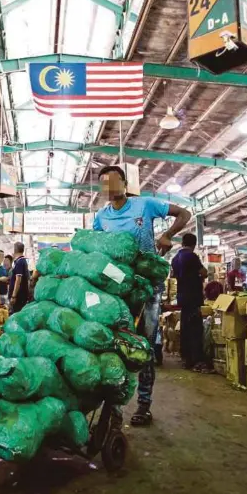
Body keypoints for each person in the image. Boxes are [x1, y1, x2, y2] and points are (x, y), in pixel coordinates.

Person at [93, 165, 191, 427]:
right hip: (117, 288)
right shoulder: (101, 217)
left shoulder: (145, 205)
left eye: (114, 180)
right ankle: (113, 406)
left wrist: (168, 234)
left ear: (125, 184)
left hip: (149, 286)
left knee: (144, 345)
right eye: (104, 182)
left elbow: (184, 213)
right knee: (115, 343)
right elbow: (96, 252)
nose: (110, 186)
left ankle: (144, 404)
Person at [171, 233, 209, 372]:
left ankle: (186, 358)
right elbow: (204, 272)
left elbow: (174, 276)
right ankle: (196, 360)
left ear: (182, 242)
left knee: (185, 328)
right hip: (193, 296)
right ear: (193, 244)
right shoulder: (191, 256)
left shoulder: (175, 258)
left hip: (182, 297)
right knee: (195, 329)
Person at [8, 242, 30, 314]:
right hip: (20, 296)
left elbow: (18, 280)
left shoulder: (20, 262)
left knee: (16, 314)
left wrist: (14, 296)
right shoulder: (20, 261)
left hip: (19, 297)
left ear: (15, 249)